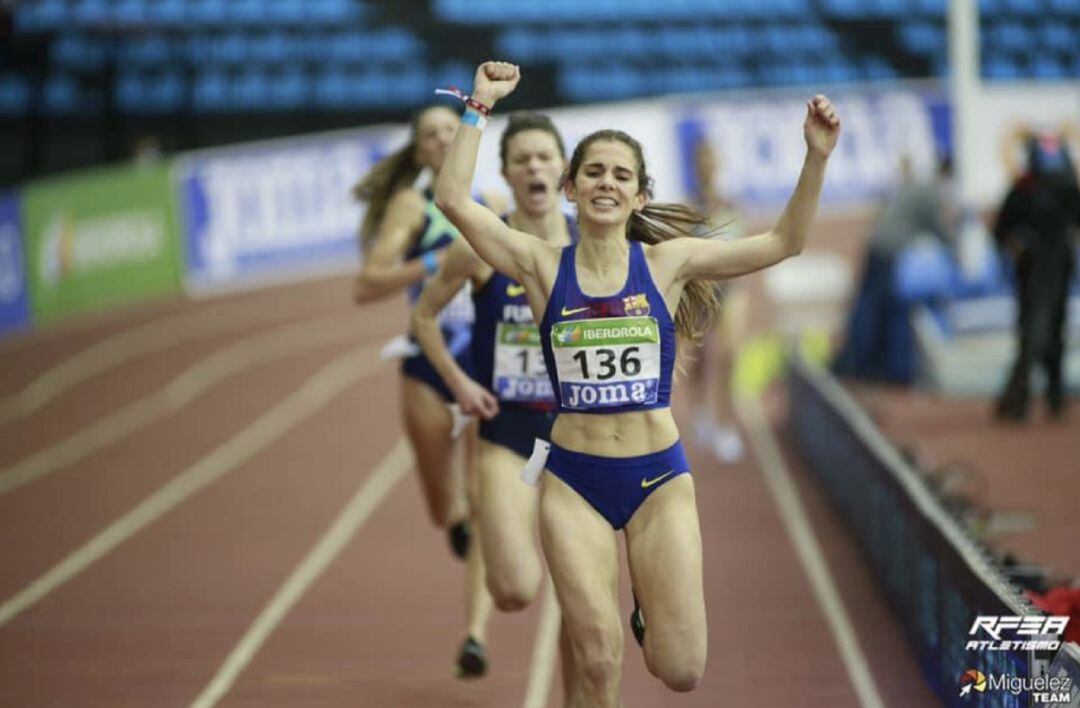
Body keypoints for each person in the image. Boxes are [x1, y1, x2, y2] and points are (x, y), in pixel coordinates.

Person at [435, 61, 840, 706]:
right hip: (574, 482)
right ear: (571, 188)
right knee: (597, 659)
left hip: (658, 480)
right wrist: (478, 105)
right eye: (594, 172)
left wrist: (815, 157)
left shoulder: (668, 262)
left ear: (640, 197)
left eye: (621, 175)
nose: (607, 182)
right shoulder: (539, 265)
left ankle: (652, 611)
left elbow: (784, 242)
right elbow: (454, 201)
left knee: (681, 669)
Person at [411, 112, 577, 682]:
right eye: (521, 159)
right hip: (508, 431)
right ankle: (486, 616)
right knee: (514, 589)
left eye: (544, 157)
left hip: (579, 433)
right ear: (505, 174)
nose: (534, 167)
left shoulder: (594, 245)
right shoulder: (479, 249)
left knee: (586, 603)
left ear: (563, 169)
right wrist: (460, 384)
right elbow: (424, 317)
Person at [351, 104, 493, 559]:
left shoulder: (494, 203)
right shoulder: (411, 205)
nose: (444, 139)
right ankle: (459, 521)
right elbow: (367, 285)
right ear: (418, 152)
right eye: (431, 134)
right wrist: (438, 260)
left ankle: (482, 572)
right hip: (429, 361)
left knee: (482, 496)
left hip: (486, 357)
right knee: (443, 506)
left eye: (451, 129)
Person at [993, 131, 1080, 421]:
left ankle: (1049, 399)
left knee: (1049, 332)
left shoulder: (1062, 188)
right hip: (1034, 269)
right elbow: (1002, 231)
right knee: (1036, 333)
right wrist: (1016, 246)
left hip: (1054, 267)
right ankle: (1021, 401)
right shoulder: (1025, 188)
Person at [686, 138, 748, 462]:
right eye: (703, 161)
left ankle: (726, 423)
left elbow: (744, 247)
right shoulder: (688, 206)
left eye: (713, 160)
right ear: (696, 166)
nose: (708, 167)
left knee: (729, 356)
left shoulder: (731, 204)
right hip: (700, 290)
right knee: (699, 358)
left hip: (731, 289)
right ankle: (702, 412)